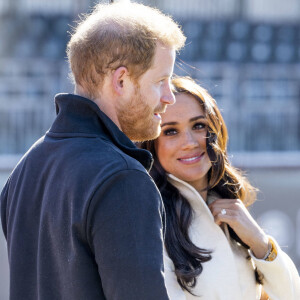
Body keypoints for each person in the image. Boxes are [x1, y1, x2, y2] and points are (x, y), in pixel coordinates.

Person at [0, 2, 185, 300]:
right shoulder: (123, 180)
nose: (169, 97)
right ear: (121, 80)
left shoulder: (24, 170)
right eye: (161, 81)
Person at [142, 76, 300, 300]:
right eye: (170, 131)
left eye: (198, 126)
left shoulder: (231, 215)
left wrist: (260, 243)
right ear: (152, 143)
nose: (189, 142)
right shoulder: (149, 218)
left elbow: (290, 295)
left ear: (216, 131)